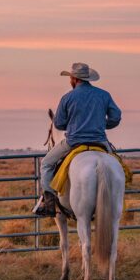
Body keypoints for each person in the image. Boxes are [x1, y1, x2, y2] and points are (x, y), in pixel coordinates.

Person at [34, 62, 122, 216]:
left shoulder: (67, 97)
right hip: (100, 141)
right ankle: (117, 199)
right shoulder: (104, 95)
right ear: (88, 78)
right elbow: (116, 117)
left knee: (46, 164)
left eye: (70, 78)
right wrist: (101, 124)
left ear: (74, 79)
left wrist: (75, 123)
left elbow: (59, 124)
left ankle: (49, 204)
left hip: (73, 141)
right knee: (118, 166)